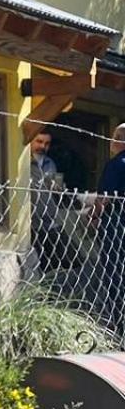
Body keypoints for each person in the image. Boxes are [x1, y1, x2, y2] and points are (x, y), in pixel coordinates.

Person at [93, 124, 125, 331]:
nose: (111, 142)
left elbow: (106, 196)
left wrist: (93, 214)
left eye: (115, 137)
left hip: (118, 223)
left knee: (114, 273)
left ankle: (119, 323)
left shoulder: (117, 164)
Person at [29, 130, 65, 273]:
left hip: (49, 221)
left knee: (51, 263)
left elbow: (57, 187)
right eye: (39, 141)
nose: (42, 146)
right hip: (31, 221)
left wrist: (59, 187)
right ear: (30, 141)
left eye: (46, 143)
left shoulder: (50, 163)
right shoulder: (24, 161)